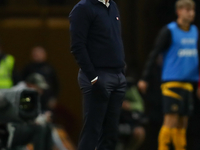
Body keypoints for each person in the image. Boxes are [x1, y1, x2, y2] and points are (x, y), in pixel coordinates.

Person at [138, 0, 199, 150]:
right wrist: (145, 78)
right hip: (172, 83)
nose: (191, 13)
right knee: (170, 121)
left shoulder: (194, 31)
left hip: (188, 84)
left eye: (193, 10)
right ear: (179, 11)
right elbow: (154, 53)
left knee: (183, 123)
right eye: (187, 10)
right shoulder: (169, 31)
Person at [69, 0, 127, 149]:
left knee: (111, 135)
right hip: (98, 76)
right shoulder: (83, 8)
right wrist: (93, 78)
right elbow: (77, 46)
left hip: (117, 76)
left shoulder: (112, 5)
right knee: (92, 132)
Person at [22, 46, 59, 111]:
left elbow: (56, 85)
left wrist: (53, 98)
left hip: (46, 101)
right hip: (31, 100)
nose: (37, 55)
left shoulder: (49, 69)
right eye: (35, 53)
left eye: (39, 53)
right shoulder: (28, 68)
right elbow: (22, 83)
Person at [118, 77, 146, 150]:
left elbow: (140, 106)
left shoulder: (128, 86)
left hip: (126, 120)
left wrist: (129, 105)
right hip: (111, 121)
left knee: (139, 132)